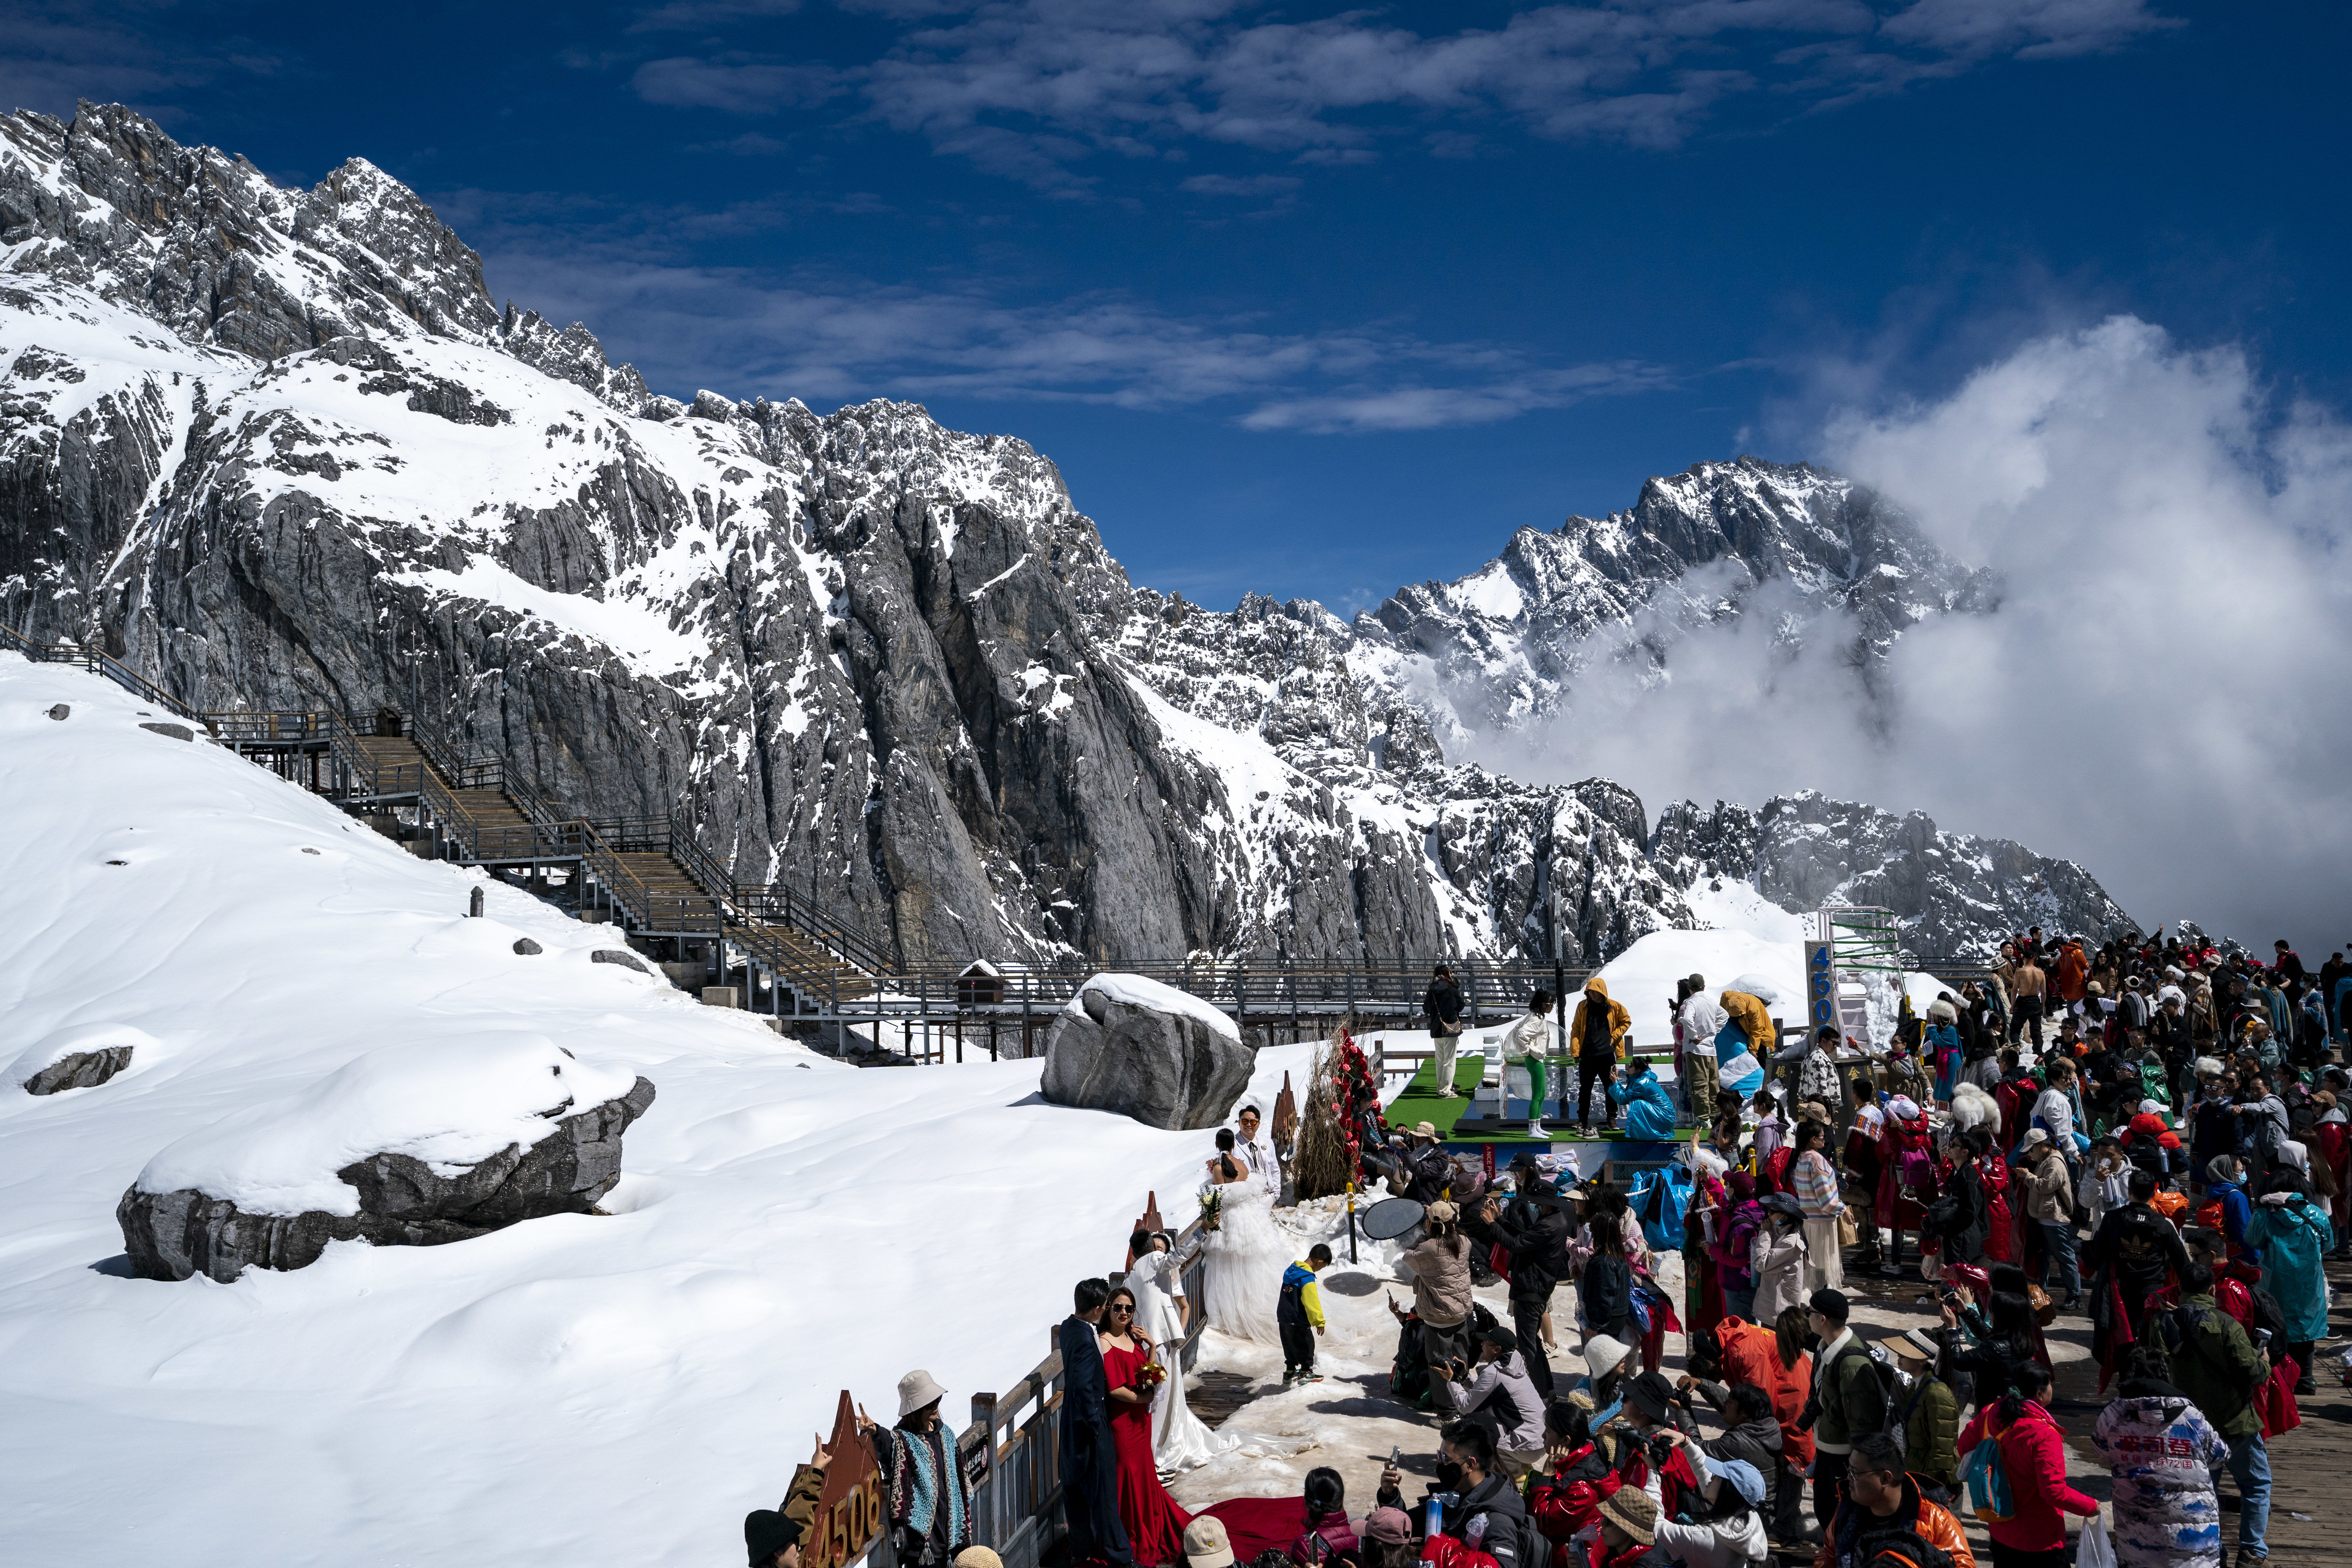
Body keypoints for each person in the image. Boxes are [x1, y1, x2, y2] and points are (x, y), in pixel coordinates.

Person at [2160, 1262, 2275, 1565]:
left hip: (2189, 1425)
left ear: (2180, 1288)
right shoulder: (2226, 1324)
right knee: (2256, 1484)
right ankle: (2252, 1550)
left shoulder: (2165, 1323)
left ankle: (2212, 1547)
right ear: (2213, 1290)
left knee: (2203, 1489)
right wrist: (2264, 1360)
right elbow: (2252, 1371)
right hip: (2233, 1420)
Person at [2091, 1344, 2228, 1568]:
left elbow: (2101, 1451)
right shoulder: (2191, 1417)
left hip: (2137, 1529)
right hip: (2193, 1533)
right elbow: (2219, 1457)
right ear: (2166, 1375)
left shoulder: (2113, 1414)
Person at [1955, 1360, 2099, 1568]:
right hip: (2039, 1540)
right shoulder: (2044, 1434)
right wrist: (2090, 1506)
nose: (2052, 1388)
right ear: (2040, 1395)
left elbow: (1964, 1448)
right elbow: (2053, 1492)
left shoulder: (1989, 1414)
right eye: (2050, 1384)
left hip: (2000, 1527)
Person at [1127, 1230, 1239, 1473]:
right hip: (1157, 1341)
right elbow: (1180, 1255)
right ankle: (1157, 1448)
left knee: (1162, 1394)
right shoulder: (1147, 1267)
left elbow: (1178, 1263)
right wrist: (1204, 1229)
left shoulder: (1138, 1272)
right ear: (1149, 1248)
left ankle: (1157, 1446)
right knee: (1162, 1395)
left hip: (1152, 1342)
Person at [1099, 1284, 1192, 1565]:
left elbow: (1147, 1373)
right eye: (1118, 1307)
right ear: (1108, 1309)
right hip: (1123, 1421)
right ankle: (1125, 1534)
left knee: (1142, 1472)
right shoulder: (1105, 1341)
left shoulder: (1133, 1337)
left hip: (1142, 1419)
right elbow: (1115, 1388)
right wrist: (1143, 1398)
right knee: (1127, 1471)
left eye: (1129, 1308)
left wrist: (1152, 1346)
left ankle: (1147, 1526)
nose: (1125, 1312)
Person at [1466, 1158, 1570, 1401]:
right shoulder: (1554, 1220)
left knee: (1527, 1347)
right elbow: (1525, 1236)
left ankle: (1540, 1395)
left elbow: (1515, 1244)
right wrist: (1500, 1220)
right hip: (1537, 1288)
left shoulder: (1549, 1225)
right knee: (1532, 1343)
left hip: (1531, 1288)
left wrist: (1492, 1224)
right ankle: (1548, 1391)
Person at [1373, 1418, 1530, 1568]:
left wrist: (1441, 1549)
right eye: (1439, 1456)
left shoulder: (1497, 1518)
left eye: (1446, 1459)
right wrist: (1390, 1495)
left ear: (1470, 1464)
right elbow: (1407, 1527)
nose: (1440, 1465)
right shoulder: (1452, 1496)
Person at [862, 1370, 976, 1567]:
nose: (935, 1406)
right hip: (922, 1549)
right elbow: (889, 1447)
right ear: (915, 1409)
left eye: (937, 1400)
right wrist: (875, 1431)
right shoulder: (904, 1440)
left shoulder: (946, 1434)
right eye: (928, 1404)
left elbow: (958, 1481)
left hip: (952, 1539)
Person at [1811, 1432, 1977, 1568]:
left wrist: (1901, 1562)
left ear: (1885, 1479)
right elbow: (1828, 1554)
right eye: (1849, 1470)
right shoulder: (1847, 1512)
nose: (1848, 1479)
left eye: (1855, 1473)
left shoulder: (1937, 1521)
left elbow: (1963, 1565)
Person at [1060, 1279, 1138, 1568]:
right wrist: (1096, 1425)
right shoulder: (1083, 1339)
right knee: (1104, 1495)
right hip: (1090, 1427)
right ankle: (1122, 1558)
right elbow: (1083, 1387)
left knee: (1076, 1494)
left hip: (1071, 1426)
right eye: (1106, 1305)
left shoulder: (1069, 1327)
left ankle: (1081, 1552)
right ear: (1096, 1309)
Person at [2081, 1170, 2191, 1357]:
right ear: (2153, 1193)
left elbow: (2096, 1256)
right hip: (2152, 1293)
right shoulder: (2164, 1224)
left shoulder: (2112, 1219)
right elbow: (2183, 1264)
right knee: (2150, 1346)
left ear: (2129, 1192)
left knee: (2122, 1345)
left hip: (2119, 1293)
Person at [1805, 1289, 1889, 1531]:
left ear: (1822, 1319)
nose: (1807, 1317)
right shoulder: (1825, 1348)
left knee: (1840, 1517)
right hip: (1827, 1448)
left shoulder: (1851, 1362)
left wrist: (1856, 1465)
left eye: (1810, 1313)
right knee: (1825, 1512)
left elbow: (1862, 1421)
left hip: (1843, 1456)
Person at [2243, 1170, 2333, 1394]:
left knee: (2273, 1328)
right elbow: (2328, 1246)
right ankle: (2306, 1380)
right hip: (2308, 1284)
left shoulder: (2265, 1215)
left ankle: (2279, 1380)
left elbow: (2252, 1241)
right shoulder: (2318, 1215)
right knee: (2306, 1331)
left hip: (2273, 1284)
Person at [1202, 1129, 1288, 1343]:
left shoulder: (1218, 1166)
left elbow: (1219, 1197)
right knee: (1251, 1263)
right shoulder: (1241, 1164)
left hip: (1230, 1218)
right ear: (1233, 1145)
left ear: (1217, 1144)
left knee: (1228, 1266)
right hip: (1248, 1216)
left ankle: (1234, 1313)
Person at [1439, 1324, 1547, 1475]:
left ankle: (1516, 1477)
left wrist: (1452, 1380)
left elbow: (1466, 1407)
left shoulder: (1494, 1373)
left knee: (1481, 1435)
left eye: (1486, 1343)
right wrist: (1463, 1377)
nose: (1482, 1344)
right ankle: (1523, 1468)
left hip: (1528, 1446)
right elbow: (1487, 1392)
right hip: (1541, 1440)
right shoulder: (1513, 1365)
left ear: (1497, 1350)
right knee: (1487, 1423)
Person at [1648, 1437, 1771, 1568]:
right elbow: (1703, 1472)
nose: (1711, 1477)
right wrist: (1686, 1442)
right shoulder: (1747, 1522)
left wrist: (1653, 1472)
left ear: (1727, 1492)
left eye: (1717, 1476)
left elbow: (1653, 1523)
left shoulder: (1704, 1539)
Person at [1528, 1400, 1622, 1561]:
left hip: (1575, 1558)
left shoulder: (1581, 1487)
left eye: (1548, 1431)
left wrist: (1545, 1478)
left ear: (1565, 1440)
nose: (1543, 1436)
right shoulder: (1581, 1459)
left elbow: (1544, 1523)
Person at [1403, 1199, 1477, 1401]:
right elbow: (1453, 1232)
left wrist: (1425, 1236)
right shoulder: (1464, 1242)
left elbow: (1408, 1257)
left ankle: (1446, 1412)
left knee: (1440, 1365)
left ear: (1430, 1225)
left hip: (1438, 1319)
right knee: (1460, 1360)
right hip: (1461, 1314)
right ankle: (1465, 1400)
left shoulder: (1427, 1248)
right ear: (1453, 1222)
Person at [1878, 1328, 1958, 1503]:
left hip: (1935, 1488)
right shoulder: (1916, 1386)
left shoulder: (1937, 1394)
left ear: (1923, 1360)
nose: (1898, 1357)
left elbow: (1942, 1451)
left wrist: (1929, 1488)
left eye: (1904, 1354)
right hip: (1918, 1477)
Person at [744, 1434, 832, 1568]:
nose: (798, 1549)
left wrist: (815, 1472)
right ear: (777, 1553)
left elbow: (799, 1515)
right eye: (794, 1543)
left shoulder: (781, 1555)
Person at [2017, 1131, 2079, 1310]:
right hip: (2045, 1218)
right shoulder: (2046, 1160)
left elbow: (2046, 1186)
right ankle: (2040, 1297)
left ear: (2039, 1146)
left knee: (2064, 1258)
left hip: (2054, 1219)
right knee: (2043, 1259)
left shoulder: (2055, 1162)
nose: (2030, 1154)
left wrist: (2027, 1175)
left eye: (2031, 1150)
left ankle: (2074, 1296)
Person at [1789, 1118, 1847, 1294]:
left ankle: (1816, 1311)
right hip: (1822, 1226)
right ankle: (1819, 1313)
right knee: (1821, 1275)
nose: (1825, 1140)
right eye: (1822, 1137)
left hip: (1809, 1223)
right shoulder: (1817, 1160)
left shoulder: (1801, 1158)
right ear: (1813, 1140)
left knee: (1816, 1275)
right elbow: (1826, 1202)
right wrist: (1844, 1210)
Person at [1570, 978, 1633, 1130]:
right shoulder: (1583, 1007)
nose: (1593, 994)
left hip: (1607, 1054)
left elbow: (1626, 1021)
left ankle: (1612, 1119)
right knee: (1585, 1089)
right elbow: (1576, 1029)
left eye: (1595, 991)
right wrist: (1576, 1051)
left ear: (1602, 991)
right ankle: (1582, 1120)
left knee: (1611, 1087)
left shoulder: (1614, 1007)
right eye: (1590, 991)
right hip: (1587, 1055)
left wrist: (1613, 1037)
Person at [1503, 989, 1559, 1137]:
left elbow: (1517, 1029)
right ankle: (1532, 1129)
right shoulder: (1536, 1020)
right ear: (1542, 1004)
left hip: (1536, 1059)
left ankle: (1538, 1125)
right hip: (1535, 1060)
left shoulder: (1535, 1016)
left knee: (1542, 1094)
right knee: (1537, 1095)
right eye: (1550, 1004)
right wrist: (1527, 1051)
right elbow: (1521, 1034)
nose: (1552, 1006)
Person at [1279, 1245, 1332, 1387]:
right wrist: (1319, 1321)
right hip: (1298, 1319)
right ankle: (1305, 1373)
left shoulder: (1292, 1270)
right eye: (1323, 1266)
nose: (1321, 1269)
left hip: (1284, 1317)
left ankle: (1290, 1372)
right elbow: (1311, 1301)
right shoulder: (1306, 1277)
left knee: (1289, 1345)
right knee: (1307, 1344)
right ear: (1320, 1262)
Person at [1752, 1195, 1809, 1321]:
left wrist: (1765, 1234)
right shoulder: (1779, 1230)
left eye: (1772, 1211)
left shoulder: (1790, 1241)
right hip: (1772, 1304)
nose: (1768, 1213)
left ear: (1786, 1215)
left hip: (1779, 1311)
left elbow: (1761, 1263)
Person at [1611, 1056, 1678, 1142]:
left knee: (1636, 1103)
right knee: (1634, 1101)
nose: (1628, 1067)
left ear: (1639, 1070)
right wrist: (1616, 1082)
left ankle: (1648, 1132)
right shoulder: (1642, 1079)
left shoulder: (1642, 1083)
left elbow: (1623, 1099)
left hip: (1664, 1118)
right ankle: (1646, 1131)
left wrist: (1615, 1082)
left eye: (1631, 1065)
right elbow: (1626, 1094)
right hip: (1665, 1117)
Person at [1427, 965, 1468, 1099]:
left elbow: (1426, 1008)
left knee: (1440, 1060)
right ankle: (1445, 1091)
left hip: (1436, 1029)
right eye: (1450, 972)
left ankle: (1440, 1087)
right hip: (1450, 1028)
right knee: (1449, 1061)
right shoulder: (1452, 990)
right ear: (1446, 974)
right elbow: (1461, 1006)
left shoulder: (1432, 990)